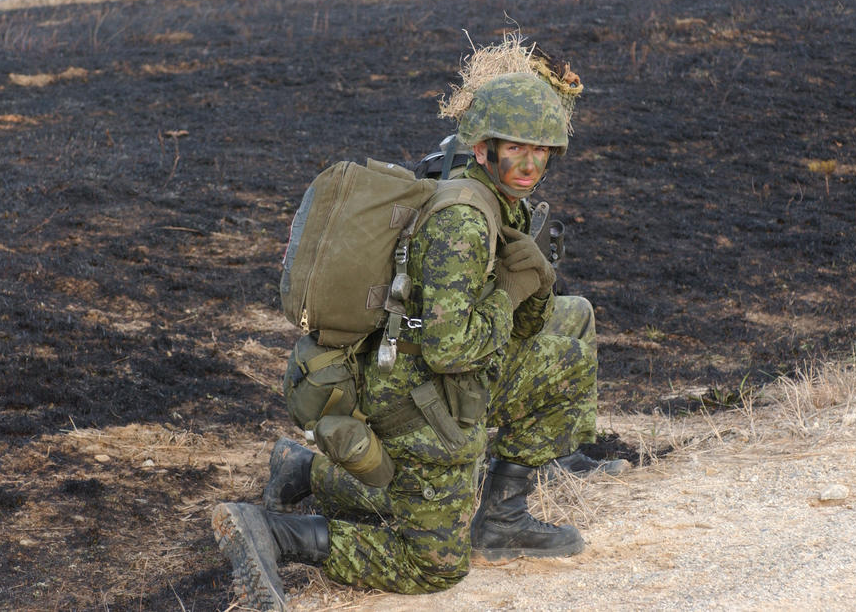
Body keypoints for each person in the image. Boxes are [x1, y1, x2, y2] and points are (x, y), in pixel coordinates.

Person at [212, 48, 628, 611]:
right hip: (421, 399)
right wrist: (512, 291)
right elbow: (449, 348)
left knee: (570, 321)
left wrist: (535, 284)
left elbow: (512, 325)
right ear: (483, 149)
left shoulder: (488, 190)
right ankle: (275, 532)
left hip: (414, 376)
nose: (529, 165)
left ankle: (310, 469)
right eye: (515, 150)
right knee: (432, 564)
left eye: (541, 151)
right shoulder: (464, 220)